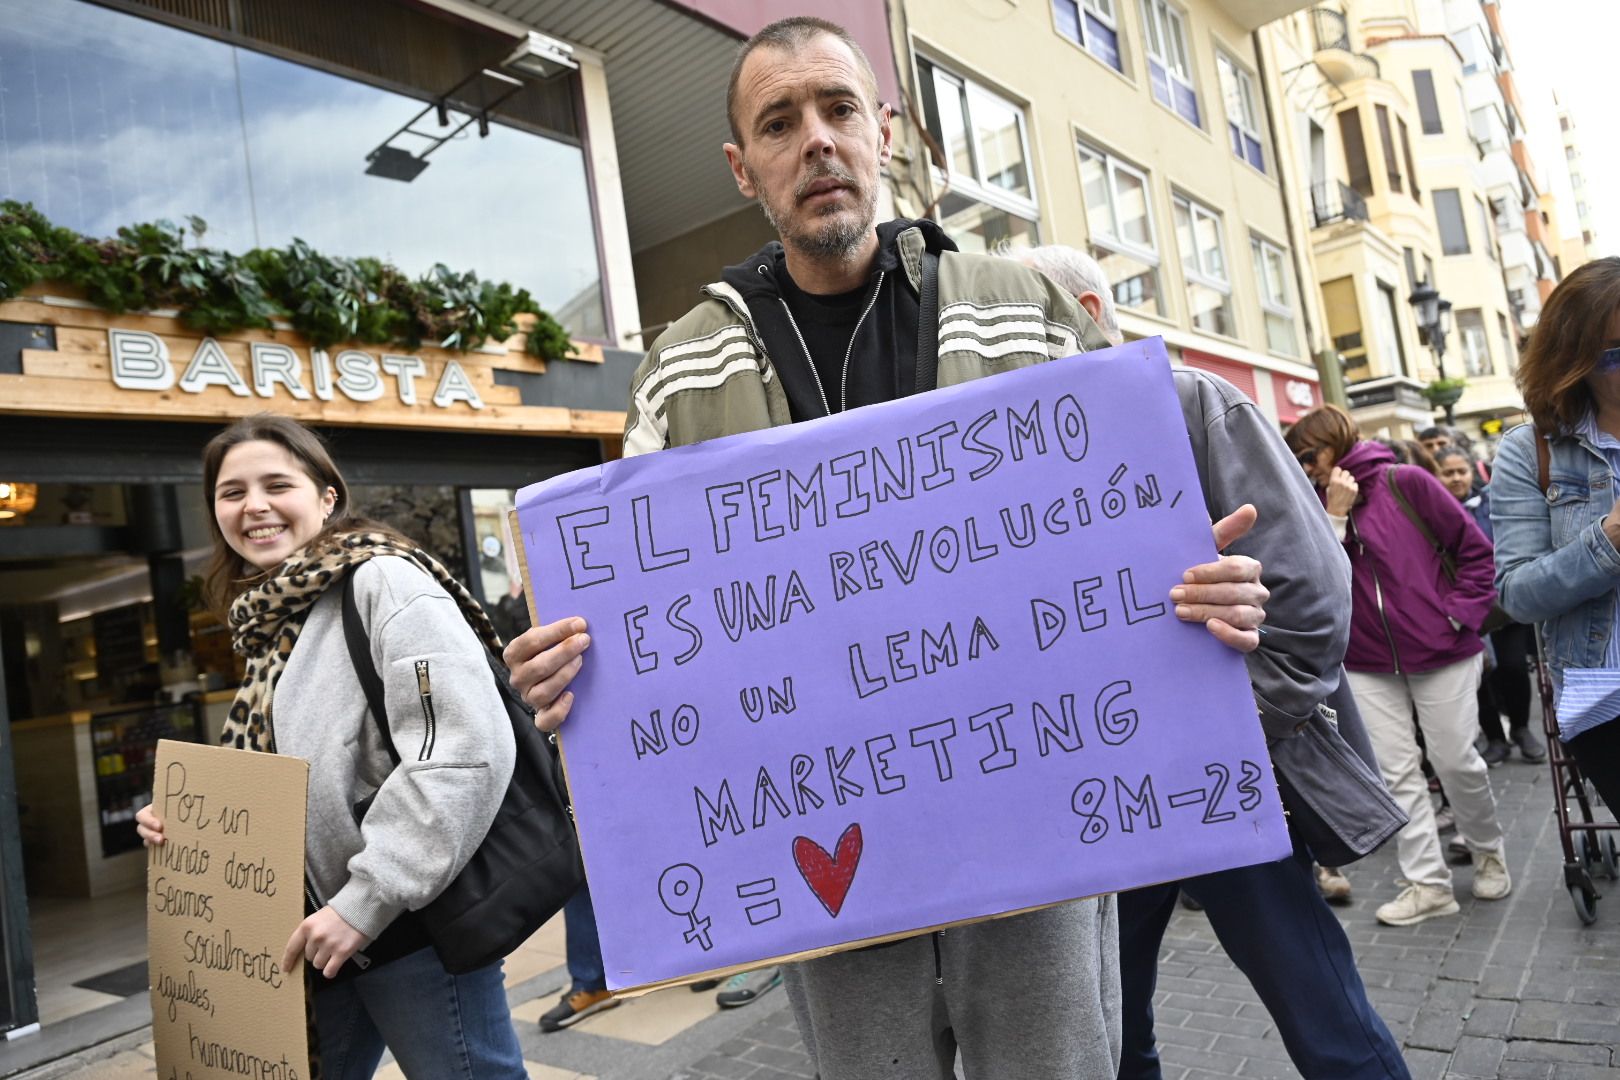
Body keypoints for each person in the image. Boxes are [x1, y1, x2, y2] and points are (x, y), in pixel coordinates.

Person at [503, 18, 1327, 1079]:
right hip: (816, 860)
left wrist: (1216, 599)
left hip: (1040, 839)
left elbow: (1140, 536)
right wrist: (572, 674)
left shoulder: (1026, 309)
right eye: (780, 122)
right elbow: (633, 636)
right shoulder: (679, 371)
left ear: (881, 131)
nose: (818, 142)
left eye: (841, 110)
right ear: (741, 166)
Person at [1015, 246, 1409, 1079]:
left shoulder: (1193, 404)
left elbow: (1311, 599)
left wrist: (1229, 730)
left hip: (1224, 781)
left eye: (1016, 318)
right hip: (1110, 799)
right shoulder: (1020, 455)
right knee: (1111, 1031)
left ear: (1086, 309)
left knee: (1322, 1011)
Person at [135, 415, 527, 1079]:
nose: (253, 506)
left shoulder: (382, 584)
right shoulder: (275, 619)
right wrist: (192, 828)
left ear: (327, 496)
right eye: (231, 493)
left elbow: (463, 748)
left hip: (406, 930)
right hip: (312, 936)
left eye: (275, 484)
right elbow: (277, 775)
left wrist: (365, 901)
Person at [1287, 405, 1512, 925]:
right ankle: (1428, 884)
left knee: (1456, 761)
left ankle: (1487, 850)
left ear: (1334, 443)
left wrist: (1458, 617)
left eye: (1308, 454)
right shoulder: (1317, 503)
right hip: (1366, 660)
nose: (1304, 466)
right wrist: (1335, 518)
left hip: (1443, 650)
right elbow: (1316, 580)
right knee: (1396, 773)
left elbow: (1475, 552)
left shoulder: (1406, 480)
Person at [1492, 255, 1620, 815]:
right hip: (1608, 700)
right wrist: (1610, 540)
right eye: (1617, 354)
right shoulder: (1531, 452)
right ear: (1577, 361)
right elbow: (1517, 594)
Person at [1435, 446, 1545, 766]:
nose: (1456, 478)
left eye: (1461, 471)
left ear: (1472, 471)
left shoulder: (1492, 503)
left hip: (1502, 604)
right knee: (1479, 677)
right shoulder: (1432, 511)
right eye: (1448, 472)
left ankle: (1522, 729)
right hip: (1461, 609)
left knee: (1513, 667)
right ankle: (1495, 737)